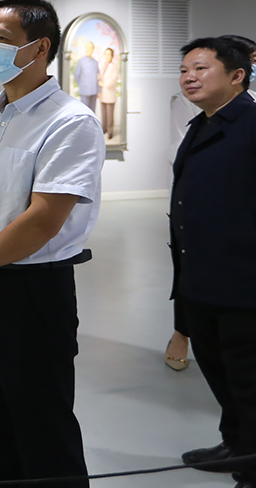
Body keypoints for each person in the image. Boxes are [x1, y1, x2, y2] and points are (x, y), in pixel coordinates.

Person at [0, 0, 104, 488]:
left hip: (34, 290)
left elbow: (43, 220)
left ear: (40, 48)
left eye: (2, 40)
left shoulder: (69, 121)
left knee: (41, 424)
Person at [174, 38, 256, 488]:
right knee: (222, 374)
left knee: (248, 380)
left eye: (201, 68)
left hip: (243, 282)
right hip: (201, 278)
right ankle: (235, 444)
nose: (189, 77)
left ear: (237, 75)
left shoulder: (250, 124)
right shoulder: (201, 124)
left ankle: (252, 465)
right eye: (185, 69)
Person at [98, 47, 119, 139]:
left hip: (110, 92)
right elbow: (98, 76)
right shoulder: (101, 65)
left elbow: (113, 79)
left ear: (112, 56)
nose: (107, 56)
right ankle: (104, 128)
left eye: (109, 54)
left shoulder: (114, 66)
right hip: (102, 93)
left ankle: (110, 131)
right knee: (103, 113)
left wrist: (103, 84)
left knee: (110, 114)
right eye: (105, 54)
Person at [73, 41, 99, 112]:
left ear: (93, 49)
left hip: (94, 91)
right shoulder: (81, 61)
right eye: (87, 47)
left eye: (90, 48)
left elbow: (98, 76)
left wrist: (98, 90)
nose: (88, 49)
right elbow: (76, 75)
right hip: (84, 91)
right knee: (85, 112)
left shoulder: (95, 62)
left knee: (92, 112)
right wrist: (82, 85)